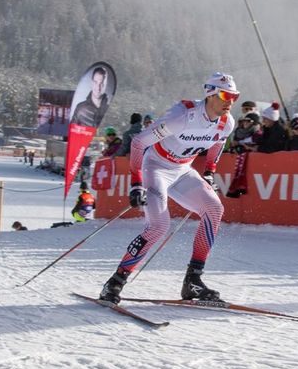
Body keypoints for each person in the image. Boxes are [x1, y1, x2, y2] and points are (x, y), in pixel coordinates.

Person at [99, 72, 238, 304]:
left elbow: (218, 143)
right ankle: (115, 282)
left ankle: (193, 282)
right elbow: (139, 142)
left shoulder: (227, 122)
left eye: (234, 96)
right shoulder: (182, 116)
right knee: (159, 227)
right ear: (210, 94)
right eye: (225, 95)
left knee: (214, 210)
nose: (230, 101)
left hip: (183, 170)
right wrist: (136, 183)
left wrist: (209, 172)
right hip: (156, 168)